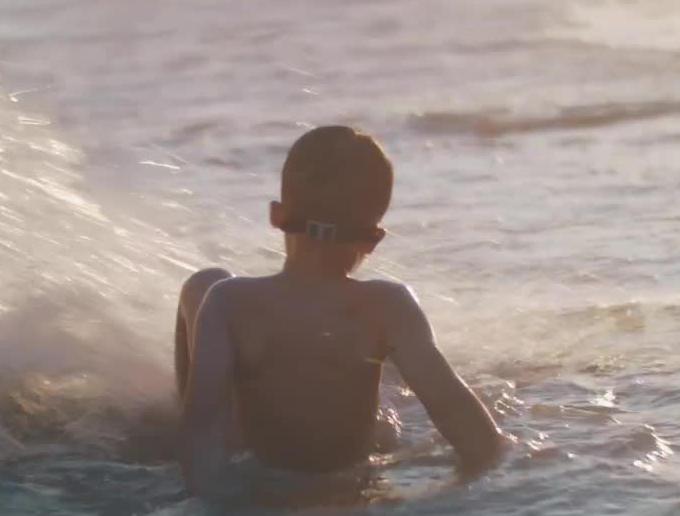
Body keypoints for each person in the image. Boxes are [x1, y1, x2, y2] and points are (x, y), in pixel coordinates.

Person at [175, 125, 505, 495]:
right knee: (392, 394)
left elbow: (202, 426)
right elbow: (457, 412)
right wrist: (493, 468)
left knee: (203, 283)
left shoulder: (228, 301)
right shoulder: (389, 305)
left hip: (259, 463)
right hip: (347, 471)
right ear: (374, 239)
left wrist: (208, 505)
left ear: (277, 216)